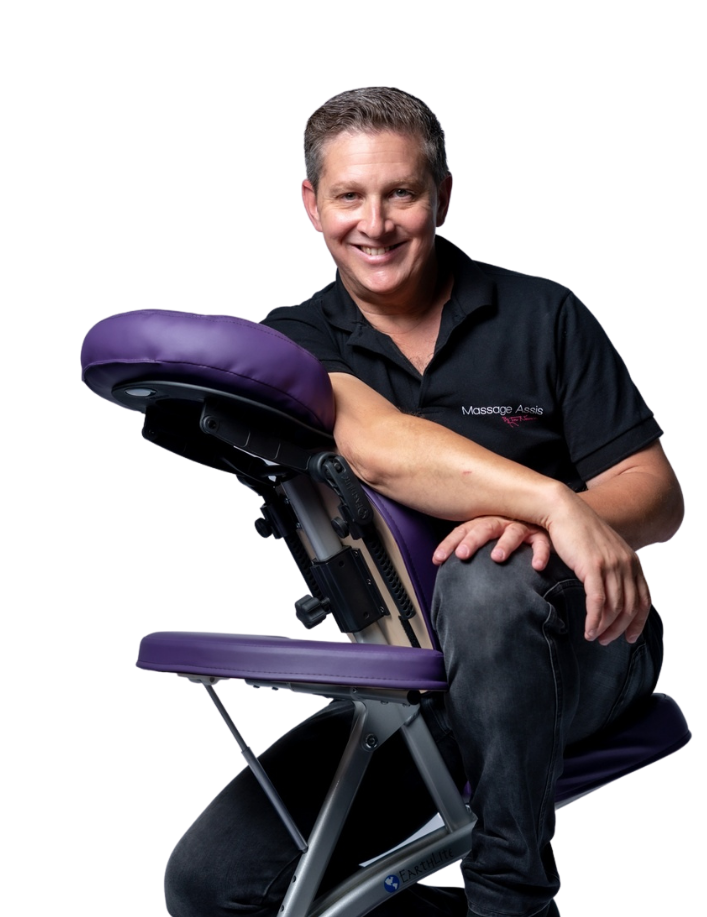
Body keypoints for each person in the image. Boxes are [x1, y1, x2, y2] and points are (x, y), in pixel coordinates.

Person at [163, 87, 684, 917]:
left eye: (400, 192)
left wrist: (543, 525)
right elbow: (379, 446)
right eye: (348, 196)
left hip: (586, 645)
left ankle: (510, 895)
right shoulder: (293, 342)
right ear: (311, 204)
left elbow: (656, 494)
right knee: (207, 882)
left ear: (441, 195)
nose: (374, 224)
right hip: (419, 680)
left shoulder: (545, 314)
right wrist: (552, 501)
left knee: (485, 572)